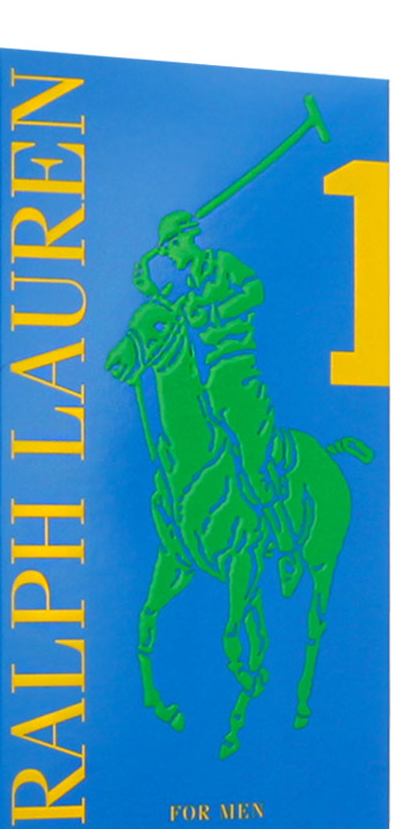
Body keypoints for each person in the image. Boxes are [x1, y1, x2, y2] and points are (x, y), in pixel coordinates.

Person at [134, 210, 300, 588]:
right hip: (211, 385)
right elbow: (171, 321)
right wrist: (150, 290)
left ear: (184, 239)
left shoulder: (222, 263)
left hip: (240, 377)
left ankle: (287, 547)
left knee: (252, 464)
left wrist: (215, 311)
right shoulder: (191, 285)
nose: (169, 256)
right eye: (164, 251)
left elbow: (255, 291)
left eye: (169, 248)